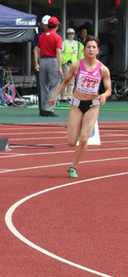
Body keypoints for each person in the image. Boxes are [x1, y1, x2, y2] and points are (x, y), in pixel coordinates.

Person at [49, 36, 110, 179]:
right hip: (77, 105)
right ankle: (77, 128)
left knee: (83, 139)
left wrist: (104, 95)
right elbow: (65, 82)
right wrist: (54, 96)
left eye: (94, 47)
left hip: (92, 105)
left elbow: (108, 89)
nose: (91, 49)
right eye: (88, 47)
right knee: (71, 142)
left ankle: (73, 167)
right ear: (84, 50)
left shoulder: (103, 69)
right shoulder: (76, 66)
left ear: (97, 51)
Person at [35, 16, 63, 117]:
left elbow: (37, 49)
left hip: (43, 61)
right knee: (55, 85)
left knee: (43, 85)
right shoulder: (57, 37)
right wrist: (60, 66)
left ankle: (43, 108)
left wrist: (37, 62)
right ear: (56, 26)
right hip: (52, 60)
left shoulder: (42, 36)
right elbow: (58, 51)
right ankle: (49, 108)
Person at [60, 28, 83, 102]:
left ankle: (70, 95)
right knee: (66, 79)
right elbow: (60, 53)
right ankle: (64, 96)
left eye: (72, 34)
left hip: (74, 64)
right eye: (70, 34)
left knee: (72, 81)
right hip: (66, 63)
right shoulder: (64, 43)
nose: (71, 35)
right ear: (67, 35)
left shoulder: (77, 43)